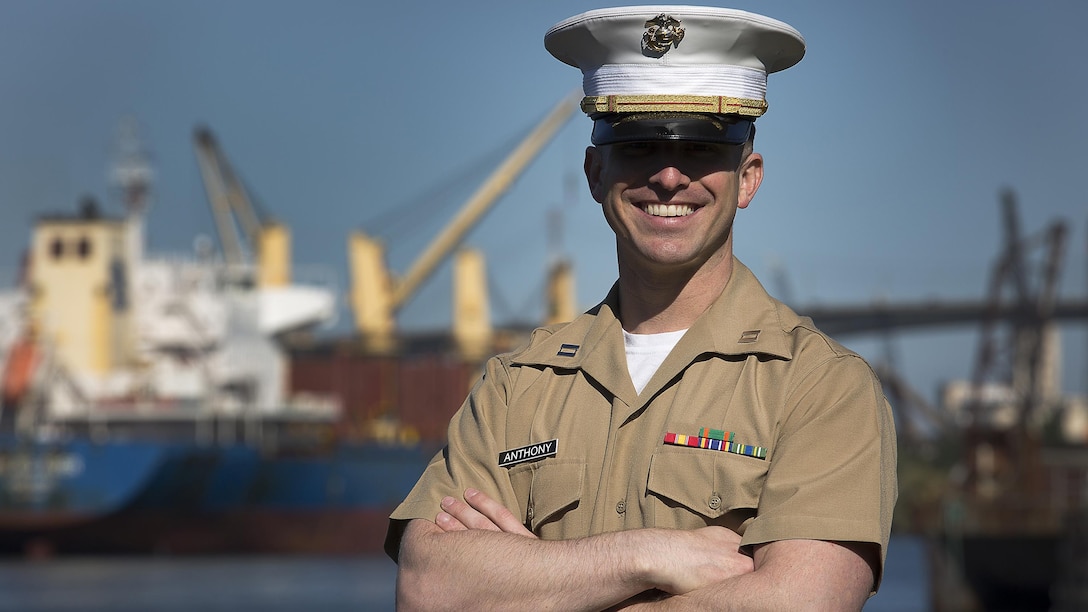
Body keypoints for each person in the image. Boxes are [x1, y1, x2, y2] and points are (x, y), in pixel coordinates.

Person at [385, 6, 897, 610]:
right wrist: (647, 556)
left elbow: (798, 603)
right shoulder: (516, 386)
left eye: (703, 148)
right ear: (595, 170)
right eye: (638, 146)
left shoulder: (822, 389)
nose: (670, 176)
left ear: (748, 177)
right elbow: (429, 590)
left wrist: (530, 581)